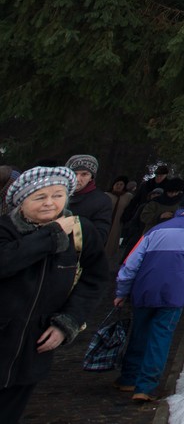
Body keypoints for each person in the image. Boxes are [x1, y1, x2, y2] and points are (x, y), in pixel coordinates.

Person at [0, 166, 108, 424]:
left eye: (58, 195)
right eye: (40, 197)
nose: (50, 203)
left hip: (34, 348)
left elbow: (95, 279)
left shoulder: (82, 233)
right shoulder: (5, 230)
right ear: (21, 201)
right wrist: (53, 235)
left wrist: (67, 322)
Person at [113, 190, 184, 402]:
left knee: (139, 332)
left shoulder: (155, 231)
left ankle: (128, 378)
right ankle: (146, 386)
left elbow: (130, 264)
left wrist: (121, 291)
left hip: (144, 289)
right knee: (161, 336)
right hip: (175, 291)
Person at [64, 155, 113, 246]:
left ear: (91, 177)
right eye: (74, 173)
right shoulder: (53, 193)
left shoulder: (102, 201)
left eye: (84, 174)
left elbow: (100, 237)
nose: (77, 179)